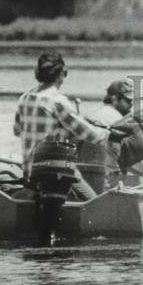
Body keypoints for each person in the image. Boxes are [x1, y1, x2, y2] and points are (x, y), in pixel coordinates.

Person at [13, 52, 115, 198]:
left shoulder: (24, 98)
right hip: (56, 172)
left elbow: (17, 131)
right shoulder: (58, 101)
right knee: (93, 203)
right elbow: (92, 136)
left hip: (29, 172)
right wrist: (109, 132)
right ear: (62, 74)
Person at [87, 79, 143, 183]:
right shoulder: (114, 119)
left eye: (132, 101)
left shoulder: (100, 113)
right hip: (103, 178)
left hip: (91, 172)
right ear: (115, 99)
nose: (131, 104)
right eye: (128, 101)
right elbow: (130, 158)